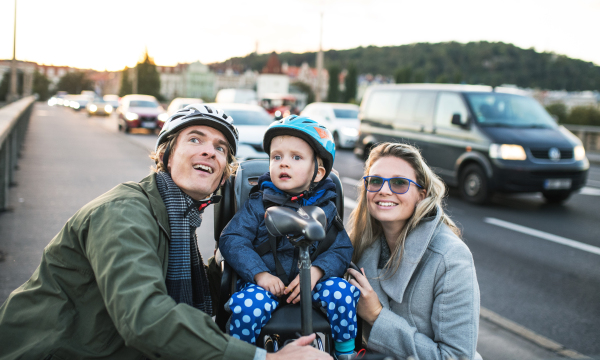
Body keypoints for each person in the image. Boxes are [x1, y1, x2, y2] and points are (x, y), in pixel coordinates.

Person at [0, 104, 331, 360]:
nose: (208, 151)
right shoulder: (124, 213)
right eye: (195, 139)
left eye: (220, 148)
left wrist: (246, 269)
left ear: (223, 175)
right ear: (166, 155)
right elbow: (144, 315)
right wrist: (262, 357)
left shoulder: (179, 219)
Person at [219, 115, 360, 360]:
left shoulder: (326, 208)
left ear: (318, 173)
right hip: (264, 285)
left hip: (313, 286)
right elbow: (232, 238)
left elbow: (341, 248)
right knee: (246, 308)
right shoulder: (258, 203)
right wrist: (259, 274)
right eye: (277, 157)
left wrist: (317, 271)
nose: (284, 164)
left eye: (296, 157)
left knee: (342, 294)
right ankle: (244, 355)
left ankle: (344, 353)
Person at [346, 142, 481, 360]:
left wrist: (376, 316)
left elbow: (456, 356)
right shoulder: (361, 248)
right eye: (375, 181)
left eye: (399, 183)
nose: (384, 190)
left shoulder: (450, 257)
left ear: (421, 194)